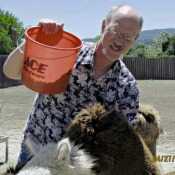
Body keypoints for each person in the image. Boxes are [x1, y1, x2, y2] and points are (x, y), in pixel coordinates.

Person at [3, 4, 143, 169]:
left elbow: (122, 141)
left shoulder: (127, 87)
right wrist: (35, 40)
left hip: (76, 168)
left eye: (128, 37)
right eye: (115, 31)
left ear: (135, 39)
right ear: (104, 25)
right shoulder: (68, 52)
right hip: (35, 149)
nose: (120, 41)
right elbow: (11, 71)